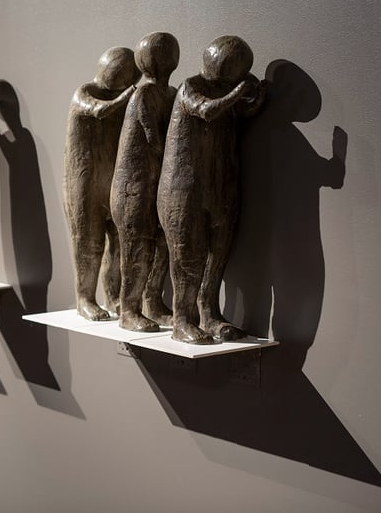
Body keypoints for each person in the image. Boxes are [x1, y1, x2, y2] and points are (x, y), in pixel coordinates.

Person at [157, 35, 267, 344]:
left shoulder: (225, 93)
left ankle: (209, 314)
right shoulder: (190, 86)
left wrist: (254, 102)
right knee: (187, 258)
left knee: (217, 255)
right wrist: (237, 93)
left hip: (219, 186)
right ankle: (182, 320)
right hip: (183, 188)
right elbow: (205, 110)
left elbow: (236, 113)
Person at [63, 48, 139, 320]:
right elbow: (98, 111)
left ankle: (113, 297)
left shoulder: (125, 100)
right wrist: (128, 96)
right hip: (83, 181)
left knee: (119, 242)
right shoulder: (85, 92)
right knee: (88, 243)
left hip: (114, 179)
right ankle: (84, 299)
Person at [111, 32, 179, 332]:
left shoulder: (171, 92)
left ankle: (152, 302)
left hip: (155, 183)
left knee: (161, 245)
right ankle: (129, 310)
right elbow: (155, 139)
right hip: (133, 187)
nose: (166, 59)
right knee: (136, 250)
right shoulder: (144, 94)